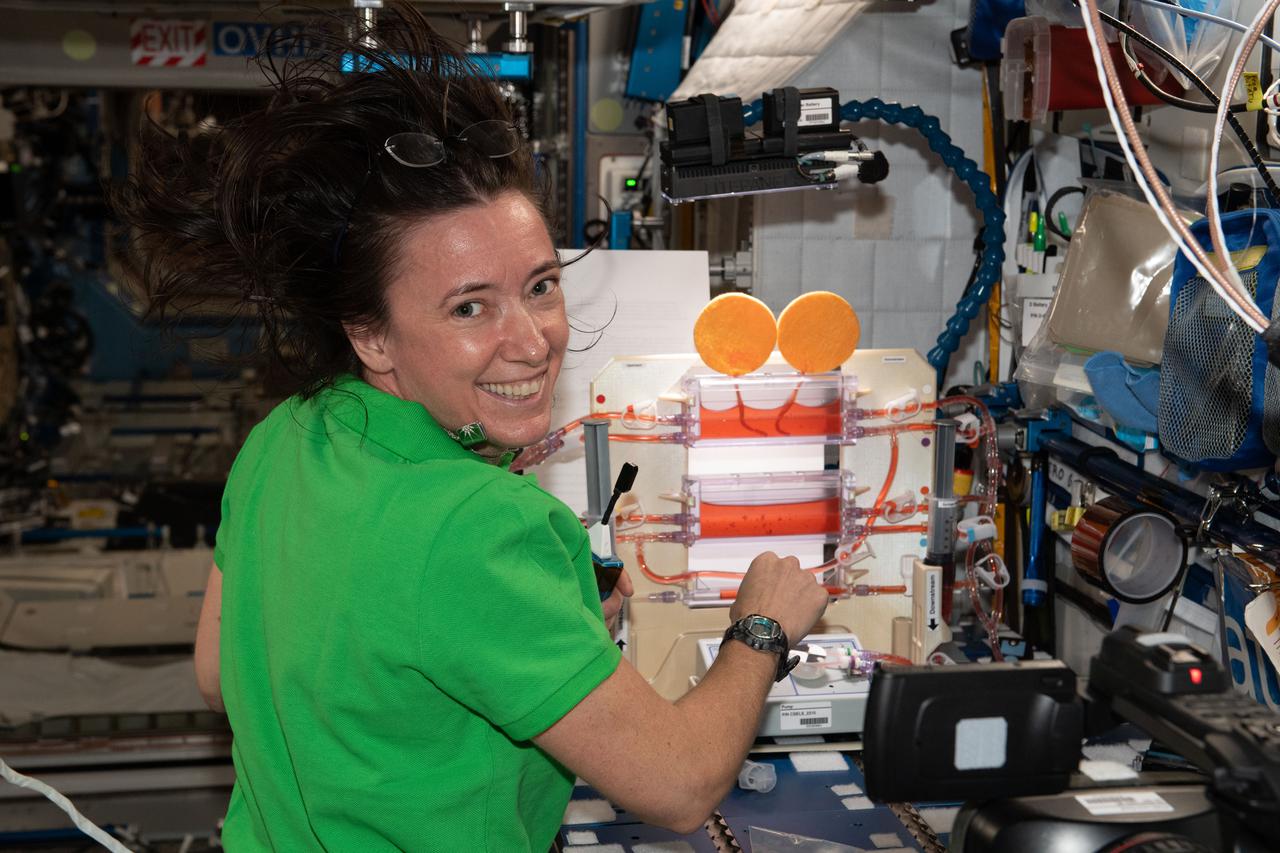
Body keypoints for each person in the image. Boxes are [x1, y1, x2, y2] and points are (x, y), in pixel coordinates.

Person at [114, 6, 830, 850]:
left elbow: (220, 674)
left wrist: (482, 654)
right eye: (468, 306)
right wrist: (761, 628)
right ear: (370, 332)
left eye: (539, 285)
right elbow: (678, 784)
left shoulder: (285, 437)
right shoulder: (480, 524)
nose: (530, 341)